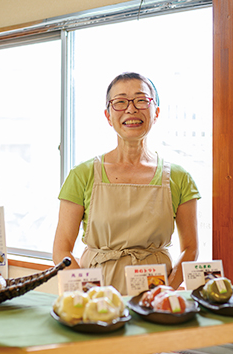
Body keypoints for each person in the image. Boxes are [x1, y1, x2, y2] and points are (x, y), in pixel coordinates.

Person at [52, 72, 200, 295]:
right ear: (108, 115)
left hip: (156, 291)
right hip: (95, 291)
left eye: (141, 100)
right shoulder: (82, 174)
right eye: (120, 102)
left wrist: (164, 292)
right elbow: (61, 249)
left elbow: (191, 248)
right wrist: (92, 295)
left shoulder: (179, 178)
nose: (131, 109)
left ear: (156, 112)